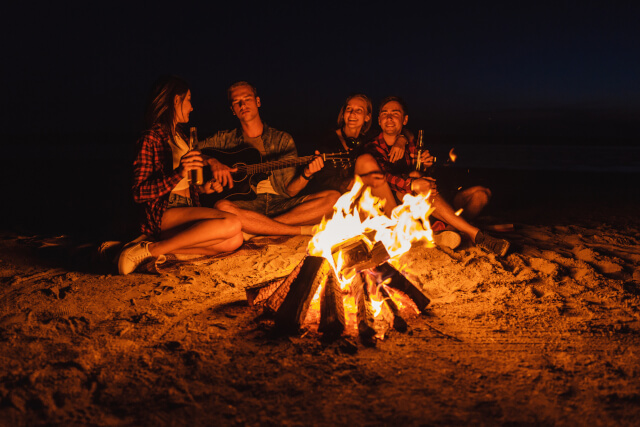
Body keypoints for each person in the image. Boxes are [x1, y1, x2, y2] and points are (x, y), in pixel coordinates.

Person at [117, 76, 244, 275]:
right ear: (176, 100)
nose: (192, 107)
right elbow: (138, 193)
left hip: (186, 207)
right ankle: (153, 249)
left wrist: (204, 188)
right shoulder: (151, 137)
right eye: (189, 100)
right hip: (164, 212)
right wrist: (179, 173)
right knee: (234, 223)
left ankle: (156, 249)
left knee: (235, 240)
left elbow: (186, 182)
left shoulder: (183, 137)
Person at [355, 96, 510, 256]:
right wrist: (413, 183)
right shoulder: (371, 147)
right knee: (414, 178)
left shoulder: (411, 143)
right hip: (398, 208)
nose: (389, 117)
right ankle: (475, 234)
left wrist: (428, 167)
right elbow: (383, 179)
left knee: (482, 195)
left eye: (395, 113)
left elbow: (429, 181)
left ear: (405, 119)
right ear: (379, 120)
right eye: (385, 113)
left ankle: (449, 231)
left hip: (429, 206)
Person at [197, 81, 341, 237]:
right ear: (233, 110)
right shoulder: (223, 139)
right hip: (245, 206)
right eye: (237, 102)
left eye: (247, 99)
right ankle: (292, 229)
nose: (243, 104)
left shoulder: (282, 139)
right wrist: (213, 162)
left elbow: (290, 191)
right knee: (221, 207)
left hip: (280, 203)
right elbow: (190, 151)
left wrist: (306, 173)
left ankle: (259, 228)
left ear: (258, 102)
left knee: (334, 198)